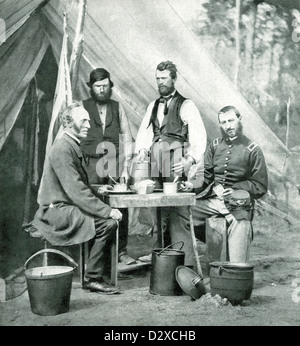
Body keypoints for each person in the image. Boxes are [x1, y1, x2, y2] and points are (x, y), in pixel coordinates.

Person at [32, 102, 122, 294]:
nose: (89, 125)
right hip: (55, 211)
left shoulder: (71, 144)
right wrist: (108, 210)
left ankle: (96, 273)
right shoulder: (63, 148)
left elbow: (77, 186)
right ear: (68, 122)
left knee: (104, 220)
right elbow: (76, 191)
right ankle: (92, 278)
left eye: (89, 120)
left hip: (65, 206)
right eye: (84, 120)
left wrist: (98, 190)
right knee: (108, 223)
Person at [134, 61, 207, 267]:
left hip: (176, 164)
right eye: (158, 78)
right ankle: (163, 263)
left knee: (178, 213)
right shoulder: (153, 105)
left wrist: (189, 160)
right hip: (156, 166)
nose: (160, 82)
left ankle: (186, 265)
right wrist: (141, 150)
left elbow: (199, 137)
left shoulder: (187, 105)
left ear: (174, 79)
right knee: (159, 212)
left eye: (164, 78)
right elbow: (144, 134)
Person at [180, 105, 268, 262]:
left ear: (239, 120)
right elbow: (206, 176)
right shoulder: (214, 145)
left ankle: (235, 269)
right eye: (224, 122)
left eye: (231, 121)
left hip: (238, 203)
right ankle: (188, 265)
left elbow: (260, 186)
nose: (228, 126)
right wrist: (191, 185)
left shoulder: (253, 149)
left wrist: (235, 189)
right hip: (213, 201)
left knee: (240, 232)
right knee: (182, 211)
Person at [80, 68, 136, 266]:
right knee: (92, 205)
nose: (102, 90)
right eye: (98, 86)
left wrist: (125, 168)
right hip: (90, 165)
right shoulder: (82, 107)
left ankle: (121, 252)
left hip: (113, 163)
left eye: (105, 86)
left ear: (110, 86)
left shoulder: (117, 107)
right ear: (91, 87)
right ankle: (93, 254)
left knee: (121, 204)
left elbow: (128, 138)